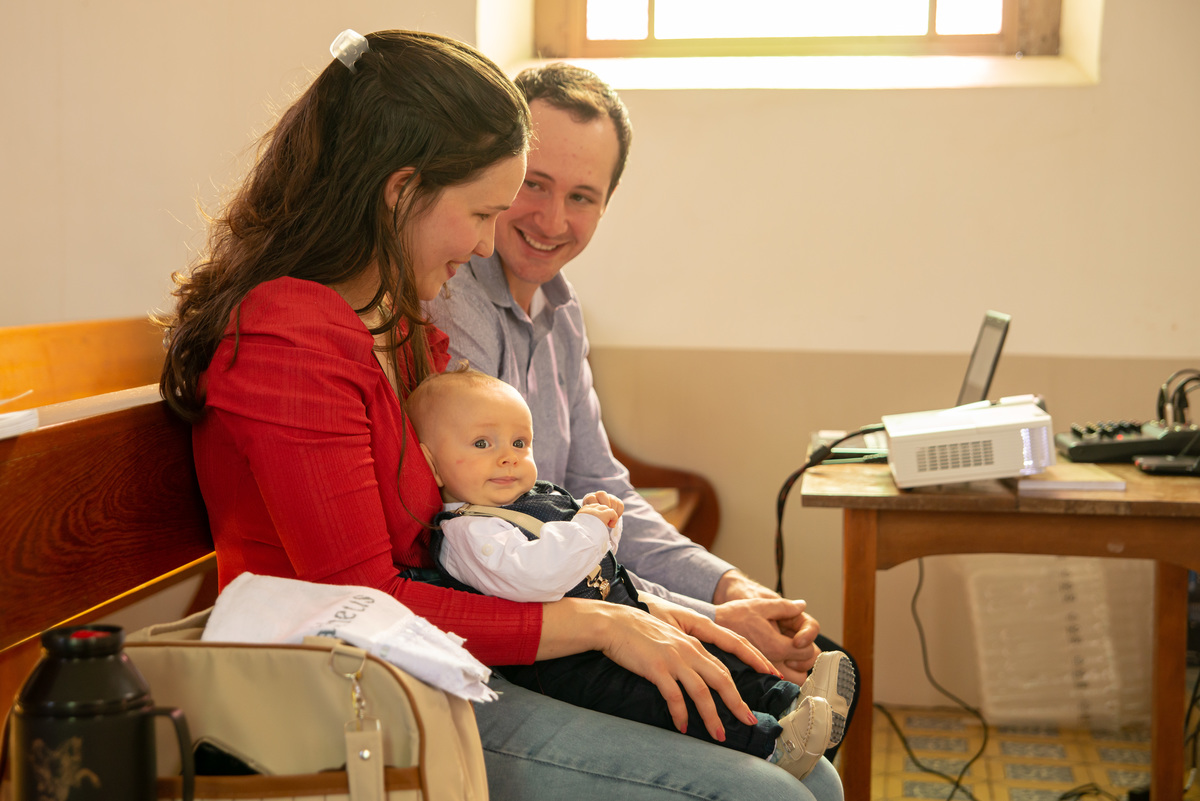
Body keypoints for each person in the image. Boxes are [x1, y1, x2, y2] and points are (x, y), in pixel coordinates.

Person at [159, 28, 843, 801]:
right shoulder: (293, 332)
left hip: (433, 662)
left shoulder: (393, 323)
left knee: (810, 773)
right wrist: (607, 624)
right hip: (350, 692)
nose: (492, 240)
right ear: (401, 189)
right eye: (486, 210)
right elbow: (370, 599)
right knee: (768, 794)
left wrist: (656, 610)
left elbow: (483, 538)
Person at [425, 61, 859, 757]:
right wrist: (710, 616)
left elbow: (603, 487)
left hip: (590, 593)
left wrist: (729, 585)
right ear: (497, 171)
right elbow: (525, 537)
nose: (551, 218)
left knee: (830, 670)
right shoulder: (452, 305)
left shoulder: (561, 314)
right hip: (529, 630)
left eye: (583, 196)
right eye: (533, 184)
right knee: (786, 719)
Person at [407, 367, 852, 778]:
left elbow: (594, 559)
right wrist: (589, 526)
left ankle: (792, 701)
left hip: (618, 613)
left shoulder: (530, 496)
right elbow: (537, 576)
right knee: (666, 700)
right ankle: (770, 746)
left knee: (711, 658)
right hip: (568, 663)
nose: (507, 458)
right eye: (483, 444)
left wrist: (606, 527)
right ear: (430, 463)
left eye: (520, 444)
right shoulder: (468, 531)